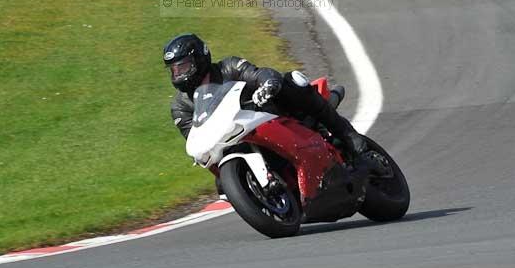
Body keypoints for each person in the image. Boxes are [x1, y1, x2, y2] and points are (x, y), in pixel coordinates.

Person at [164, 32, 384, 172]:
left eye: (183, 67)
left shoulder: (229, 67)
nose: (179, 74)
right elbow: (196, 138)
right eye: (174, 70)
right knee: (219, 180)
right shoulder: (181, 107)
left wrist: (267, 84)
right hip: (232, 141)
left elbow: (257, 74)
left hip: (272, 115)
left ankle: (351, 139)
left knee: (293, 81)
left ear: (200, 58)